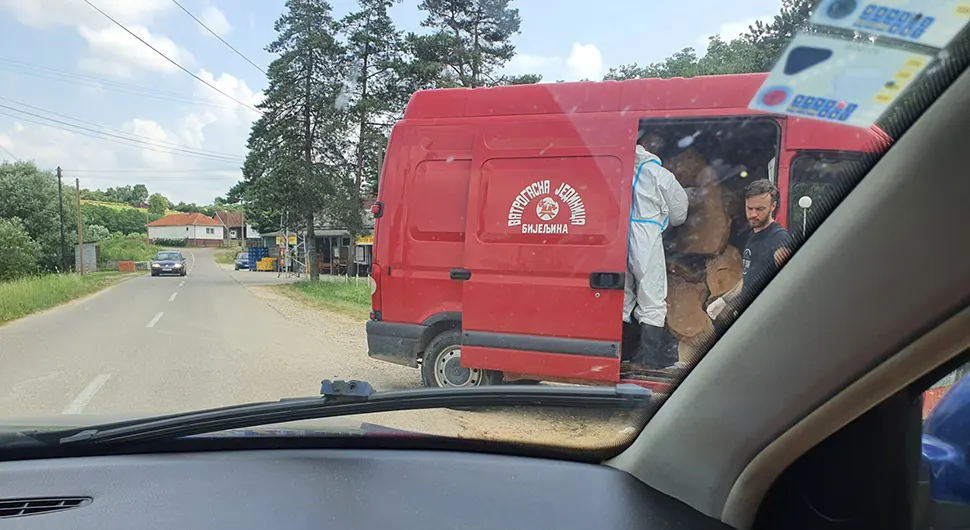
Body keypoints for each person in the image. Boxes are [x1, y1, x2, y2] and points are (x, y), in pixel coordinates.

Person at [623, 131, 691, 369]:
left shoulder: (616, 167)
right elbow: (680, 214)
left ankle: (620, 352)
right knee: (651, 296)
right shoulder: (660, 174)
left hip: (617, 234)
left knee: (622, 295)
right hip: (647, 235)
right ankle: (648, 359)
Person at [706, 179, 792, 324]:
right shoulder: (753, 235)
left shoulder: (779, 238)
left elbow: (788, 281)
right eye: (749, 208)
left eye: (759, 209)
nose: (753, 214)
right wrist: (723, 301)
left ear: (773, 206)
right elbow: (750, 277)